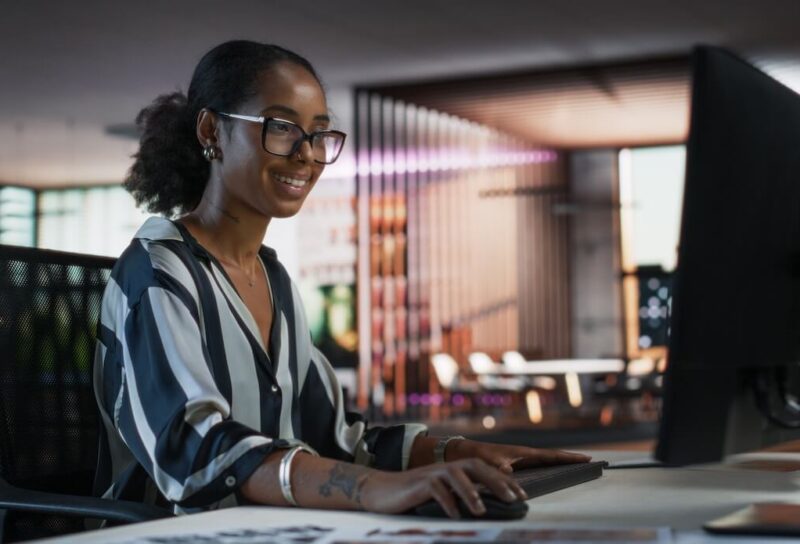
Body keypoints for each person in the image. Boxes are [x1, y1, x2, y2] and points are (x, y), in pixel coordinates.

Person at [94, 40, 589, 520]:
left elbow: (335, 441)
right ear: (211, 132)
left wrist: (464, 452)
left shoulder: (273, 279)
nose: (307, 154)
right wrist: (373, 489)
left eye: (318, 134)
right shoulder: (158, 272)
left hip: (280, 527)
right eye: (283, 127)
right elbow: (195, 453)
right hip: (176, 531)